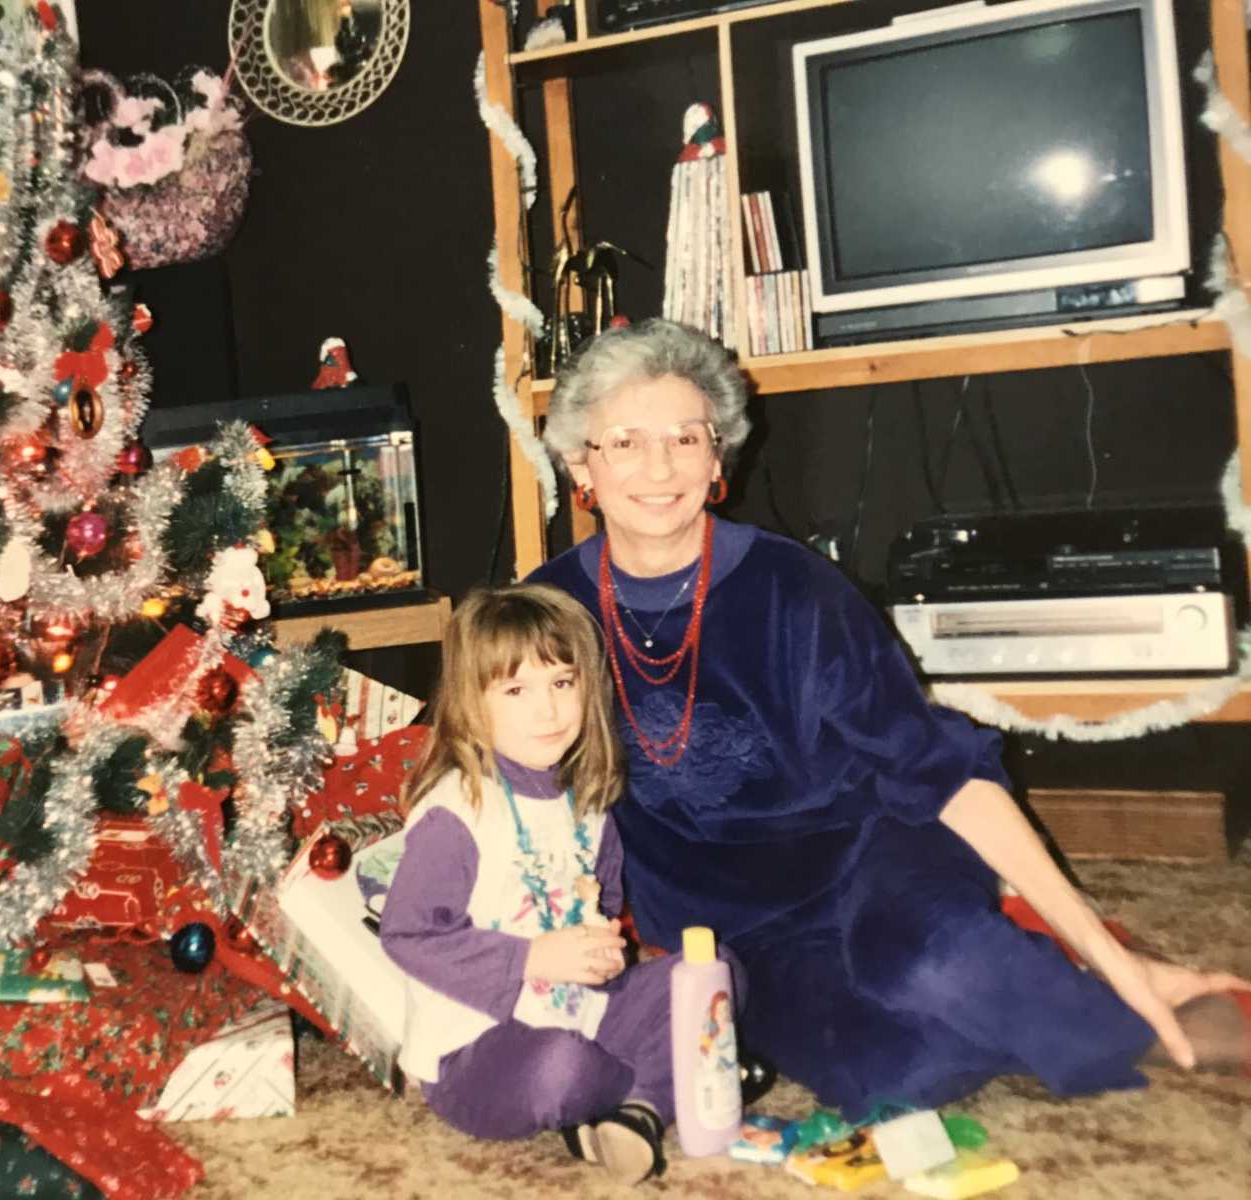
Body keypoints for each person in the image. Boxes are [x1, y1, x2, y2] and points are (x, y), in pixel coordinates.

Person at [528, 317, 1251, 1119]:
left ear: (718, 455)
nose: (659, 467)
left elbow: (942, 772)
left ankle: (1109, 1000)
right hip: (730, 929)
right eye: (624, 442)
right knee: (890, 1078)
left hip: (871, 853)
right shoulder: (547, 611)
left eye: (685, 438)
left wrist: (1102, 949)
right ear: (577, 463)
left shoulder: (795, 589)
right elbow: (507, 791)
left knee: (927, 966)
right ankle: (1020, 972)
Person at [379, 583, 744, 1184]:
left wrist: (601, 949)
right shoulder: (457, 813)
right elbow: (408, 934)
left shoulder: (588, 805)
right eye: (516, 689)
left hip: (580, 1009)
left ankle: (633, 1110)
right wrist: (533, 956)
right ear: (471, 700)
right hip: (478, 1049)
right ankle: (663, 1086)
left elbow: (602, 908)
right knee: (563, 1067)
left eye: (562, 683)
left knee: (713, 973)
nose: (546, 711)